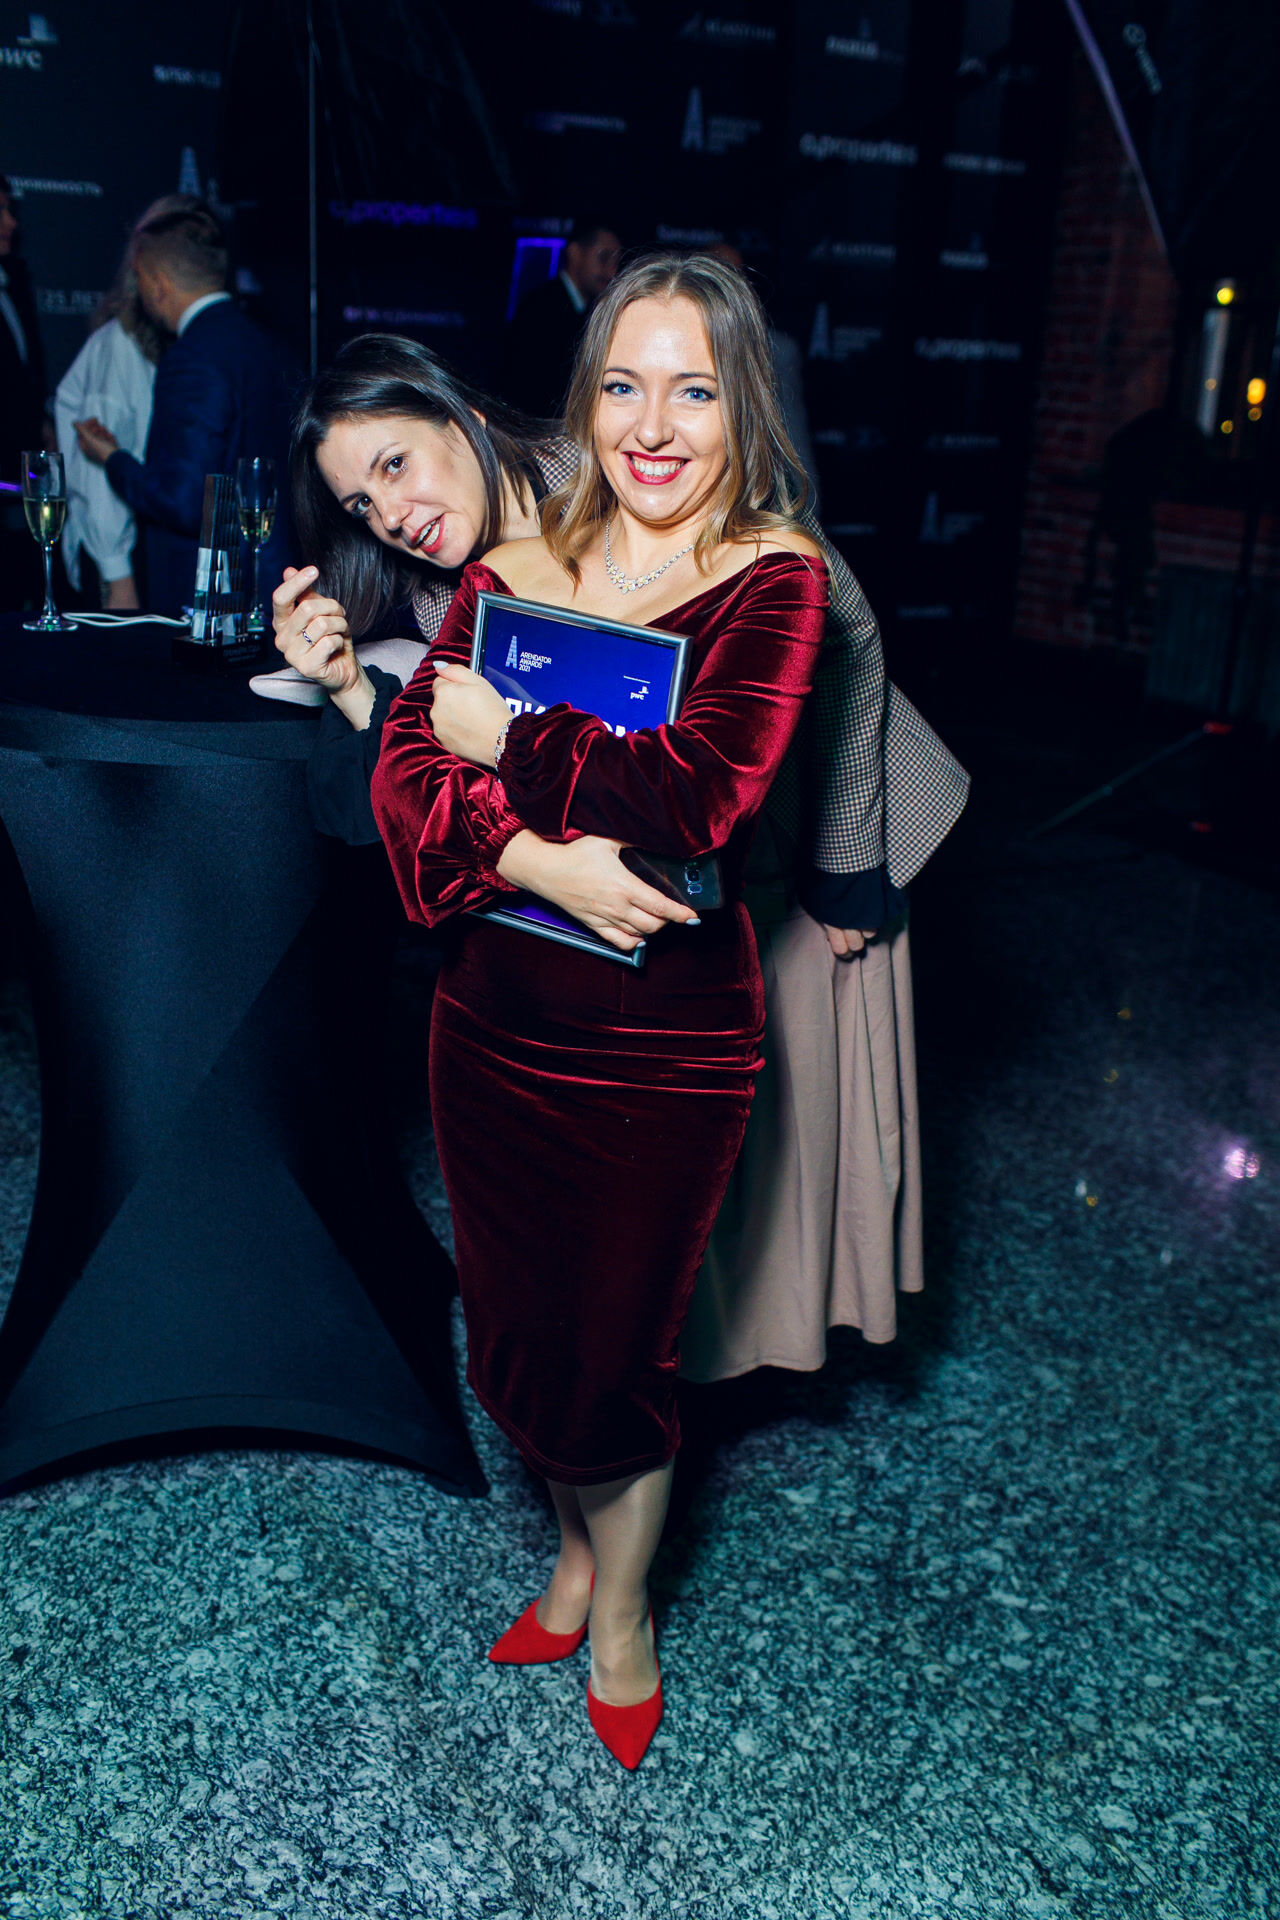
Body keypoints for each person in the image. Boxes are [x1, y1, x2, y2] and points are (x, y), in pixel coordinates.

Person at [264, 304, 968, 1389]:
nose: (391, 514)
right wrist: (356, 690)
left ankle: (707, 1377)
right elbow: (410, 789)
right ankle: (647, 1379)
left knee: (786, 1119)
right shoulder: (439, 583)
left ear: (459, 416)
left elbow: (849, 630)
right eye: (360, 502)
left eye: (395, 464)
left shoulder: (617, 462)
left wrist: (843, 868)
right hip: (627, 893)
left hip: (797, 813)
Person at [370, 253, 829, 1767]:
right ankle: (573, 1558)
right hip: (489, 1026)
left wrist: (507, 739)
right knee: (514, 1333)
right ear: (584, 398)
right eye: (623, 385)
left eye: (692, 390)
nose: (650, 424)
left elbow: (698, 793)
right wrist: (534, 857)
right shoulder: (516, 565)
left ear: (741, 405)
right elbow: (403, 777)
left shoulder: (774, 578)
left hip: (660, 1049)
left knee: (611, 1350)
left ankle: (621, 1612)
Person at [73, 203, 298, 618]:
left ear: (158, 284)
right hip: (280, 585)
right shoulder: (273, 346)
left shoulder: (191, 356)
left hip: (213, 601)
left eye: (140, 278)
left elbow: (183, 500)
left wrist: (112, 459)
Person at [54, 194, 201, 611]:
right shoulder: (120, 343)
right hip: (120, 556)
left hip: (146, 547)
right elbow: (95, 468)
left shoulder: (174, 343)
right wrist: (117, 576)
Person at [501, 216, 622, 418]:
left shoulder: (592, 311)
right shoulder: (540, 309)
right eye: (603, 257)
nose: (612, 271)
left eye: (616, 261)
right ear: (575, 253)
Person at [0, 173, 49, 609]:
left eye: (9, 209)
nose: (11, 223)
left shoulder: (15, 280)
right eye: (0, 211)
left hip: (21, 476)